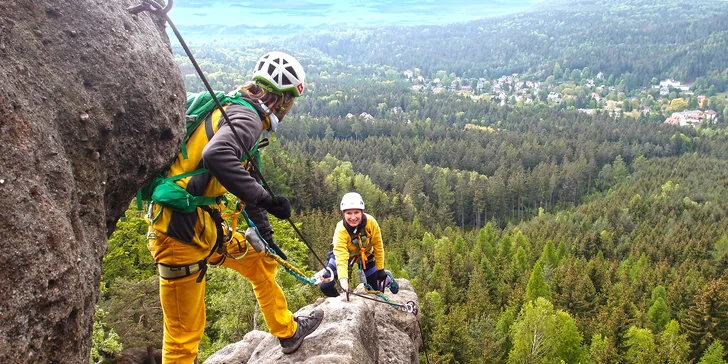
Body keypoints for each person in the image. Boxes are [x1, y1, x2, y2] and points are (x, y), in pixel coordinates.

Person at [146, 51, 323, 362]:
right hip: (179, 234)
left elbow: (248, 176)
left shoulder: (234, 108)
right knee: (183, 338)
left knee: (259, 259)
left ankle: (288, 332)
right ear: (282, 99)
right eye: (291, 102)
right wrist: (265, 198)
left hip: (202, 226)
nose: (289, 109)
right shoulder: (247, 118)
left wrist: (267, 237)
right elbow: (218, 156)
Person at [319, 192, 399, 298]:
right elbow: (341, 260)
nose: (353, 217)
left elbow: (378, 247)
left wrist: (381, 270)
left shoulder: (371, 223)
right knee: (326, 286)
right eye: (349, 213)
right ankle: (341, 301)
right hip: (344, 256)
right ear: (343, 213)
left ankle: (387, 279)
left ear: (362, 212)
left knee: (375, 290)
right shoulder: (341, 230)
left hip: (366, 256)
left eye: (356, 212)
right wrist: (345, 288)